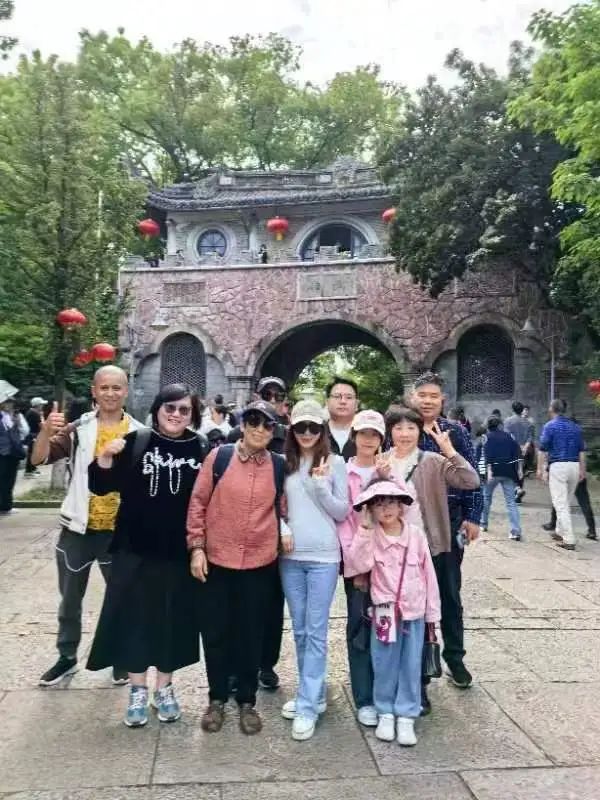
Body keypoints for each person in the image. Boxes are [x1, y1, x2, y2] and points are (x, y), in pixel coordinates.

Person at [86, 384, 208, 727]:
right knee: (135, 621)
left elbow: (207, 500)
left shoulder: (200, 447)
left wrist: (200, 547)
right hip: (134, 549)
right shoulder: (137, 441)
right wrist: (106, 457)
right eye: (170, 407)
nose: (176, 415)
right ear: (157, 409)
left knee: (171, 621)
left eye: (184, 410)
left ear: (192, 415)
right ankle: (138, 689)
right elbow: (100, 485)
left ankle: (164, 688)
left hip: (177, 552)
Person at [32, 366, 145, 686]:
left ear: (126, 391)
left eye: (116, 387)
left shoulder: (140, 434)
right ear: (94, 391)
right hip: (78, 528)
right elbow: (38, 459)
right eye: (104, 387)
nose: (110, 393)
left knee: (123, 599)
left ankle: (121, 656)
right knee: (70, 600)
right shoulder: (78, 429)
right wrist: (45, 432)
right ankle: (67, 656)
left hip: (120, 533)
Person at [187, 400, 285, 735]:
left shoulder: (278, 465)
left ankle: (247, 700)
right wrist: (196, 548)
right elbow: (198, 503)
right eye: (253, 422)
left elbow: (284, 508)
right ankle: (216, 698)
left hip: (259, 563)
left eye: (267, 424)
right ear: (243, 425)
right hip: (218, 559)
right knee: (216, 632)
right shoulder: (220, 457)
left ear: (273, 431)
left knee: (251, 633)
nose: (259, 429)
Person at [383, 404, 480, 713]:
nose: (404, 433)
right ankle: (405, 682)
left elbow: (470, 480)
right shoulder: (382, 462)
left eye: (411, 428)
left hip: (429, 549)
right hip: (393, 553)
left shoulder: (433, 461)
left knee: (428, 614)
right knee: (404, 619)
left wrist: (449, 450)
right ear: (390, 432)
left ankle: (423, 681)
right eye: (398, 428)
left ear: (418, 431)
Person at [346, 478, 441, 747]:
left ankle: (407, 714)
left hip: (414, 611)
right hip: (384, 612)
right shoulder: (372, 536)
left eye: (391, 503)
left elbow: (429, 575)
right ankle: (385, 710)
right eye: (378, 505)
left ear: (401, 506)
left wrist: (433, 614)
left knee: (411, 663)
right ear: (370, 510)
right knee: (384, 662)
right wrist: (364, 529)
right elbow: (356, 565)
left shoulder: (416, 535)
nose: (386, 509)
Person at [279, 400, 349, 741]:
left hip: (323, 557)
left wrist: (322, 486)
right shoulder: (284, 463)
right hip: (290, 557)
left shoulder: (336, 464)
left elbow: (342, 512)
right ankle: (314, 691)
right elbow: (274, 506)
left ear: (322, 431)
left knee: (317, 631)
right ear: (292, 430)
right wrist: (282, 528)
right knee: (300, 631)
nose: (307, 433)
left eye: (313, 428)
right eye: (300, 427)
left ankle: (307, 705)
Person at [409, 371, 482, 694]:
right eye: (422, 395)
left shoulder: (455, 431)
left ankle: (455, 657)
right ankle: (418, 660)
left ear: (442, 400)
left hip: (449, 520)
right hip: (410, 522)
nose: (427, 401)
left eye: (433, 396)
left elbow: (472, 474)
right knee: (413, 593)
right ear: (412, 397)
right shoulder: (401, 427)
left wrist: (473, 516)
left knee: (450, 592)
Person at [337, 410, 389, 728]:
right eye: (363, 433)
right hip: (357, 565)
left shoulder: (388, 470)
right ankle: (364, 697)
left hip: (388, 565)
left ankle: (385, 692)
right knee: (359, 629)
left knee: (386, 629)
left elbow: (401, 513)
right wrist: (356, 566)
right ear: (354, 436)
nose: (368, 440)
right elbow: (344, 523)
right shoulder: (343, 473)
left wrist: (387, 477)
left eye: (374, 434)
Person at [537, 399, 586, 551]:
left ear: (551, 409)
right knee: (566, 502)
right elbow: (581, 451)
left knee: (560, 504)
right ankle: (559, 531)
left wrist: (540, 469)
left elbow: (542, 449)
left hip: (558, 466)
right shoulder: (575, 427)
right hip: (574, 465)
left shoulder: (549, 426)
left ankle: (569, 539)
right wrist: (582, 470)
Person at [480, 415, 522, 540]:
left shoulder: (486, 437)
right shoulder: (509, 436)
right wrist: (519, 469)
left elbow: (487, 454)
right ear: (499, 425)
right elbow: (517, 452)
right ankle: (515, 530)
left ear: (488, 426)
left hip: (493, 471)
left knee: (486, 498)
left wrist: (488, 471)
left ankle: (483, 524)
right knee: (511, 502)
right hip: (508, 471)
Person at [0, 393, 27, 514]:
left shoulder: (15, 416)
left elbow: (24, 432)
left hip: (13, 452)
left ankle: (6, 506)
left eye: (11, 402)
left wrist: (18, 422)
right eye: (6, 402)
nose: (9, 405)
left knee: (10, 480)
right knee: (2, 480)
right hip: (2, 453)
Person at [503, 401, 534, 502]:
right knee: (521, 472)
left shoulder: (508, 421)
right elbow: (530, 438)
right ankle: (518, 494)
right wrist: (525, 447)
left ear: (512, 409)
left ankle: (517, 490)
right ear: (522, 410)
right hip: (524, 451)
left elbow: (507, 436)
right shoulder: (528, 423)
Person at [325, 376, 359, 460]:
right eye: (337, 396)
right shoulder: (315, 431)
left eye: (349, 397)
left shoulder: (368, 433)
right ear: (327, 402)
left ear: (357, 404)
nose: (343, 401)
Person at [24, 396, 47, 476]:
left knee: (33, 452)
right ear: (37, 405)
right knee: (32, 453)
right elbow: (42, 426)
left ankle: (32, 468)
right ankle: (29, 471)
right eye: (41, 404)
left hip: (32, 435)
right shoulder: (35, 414)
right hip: (33, 435)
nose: (42, 406)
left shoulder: (31, 412)